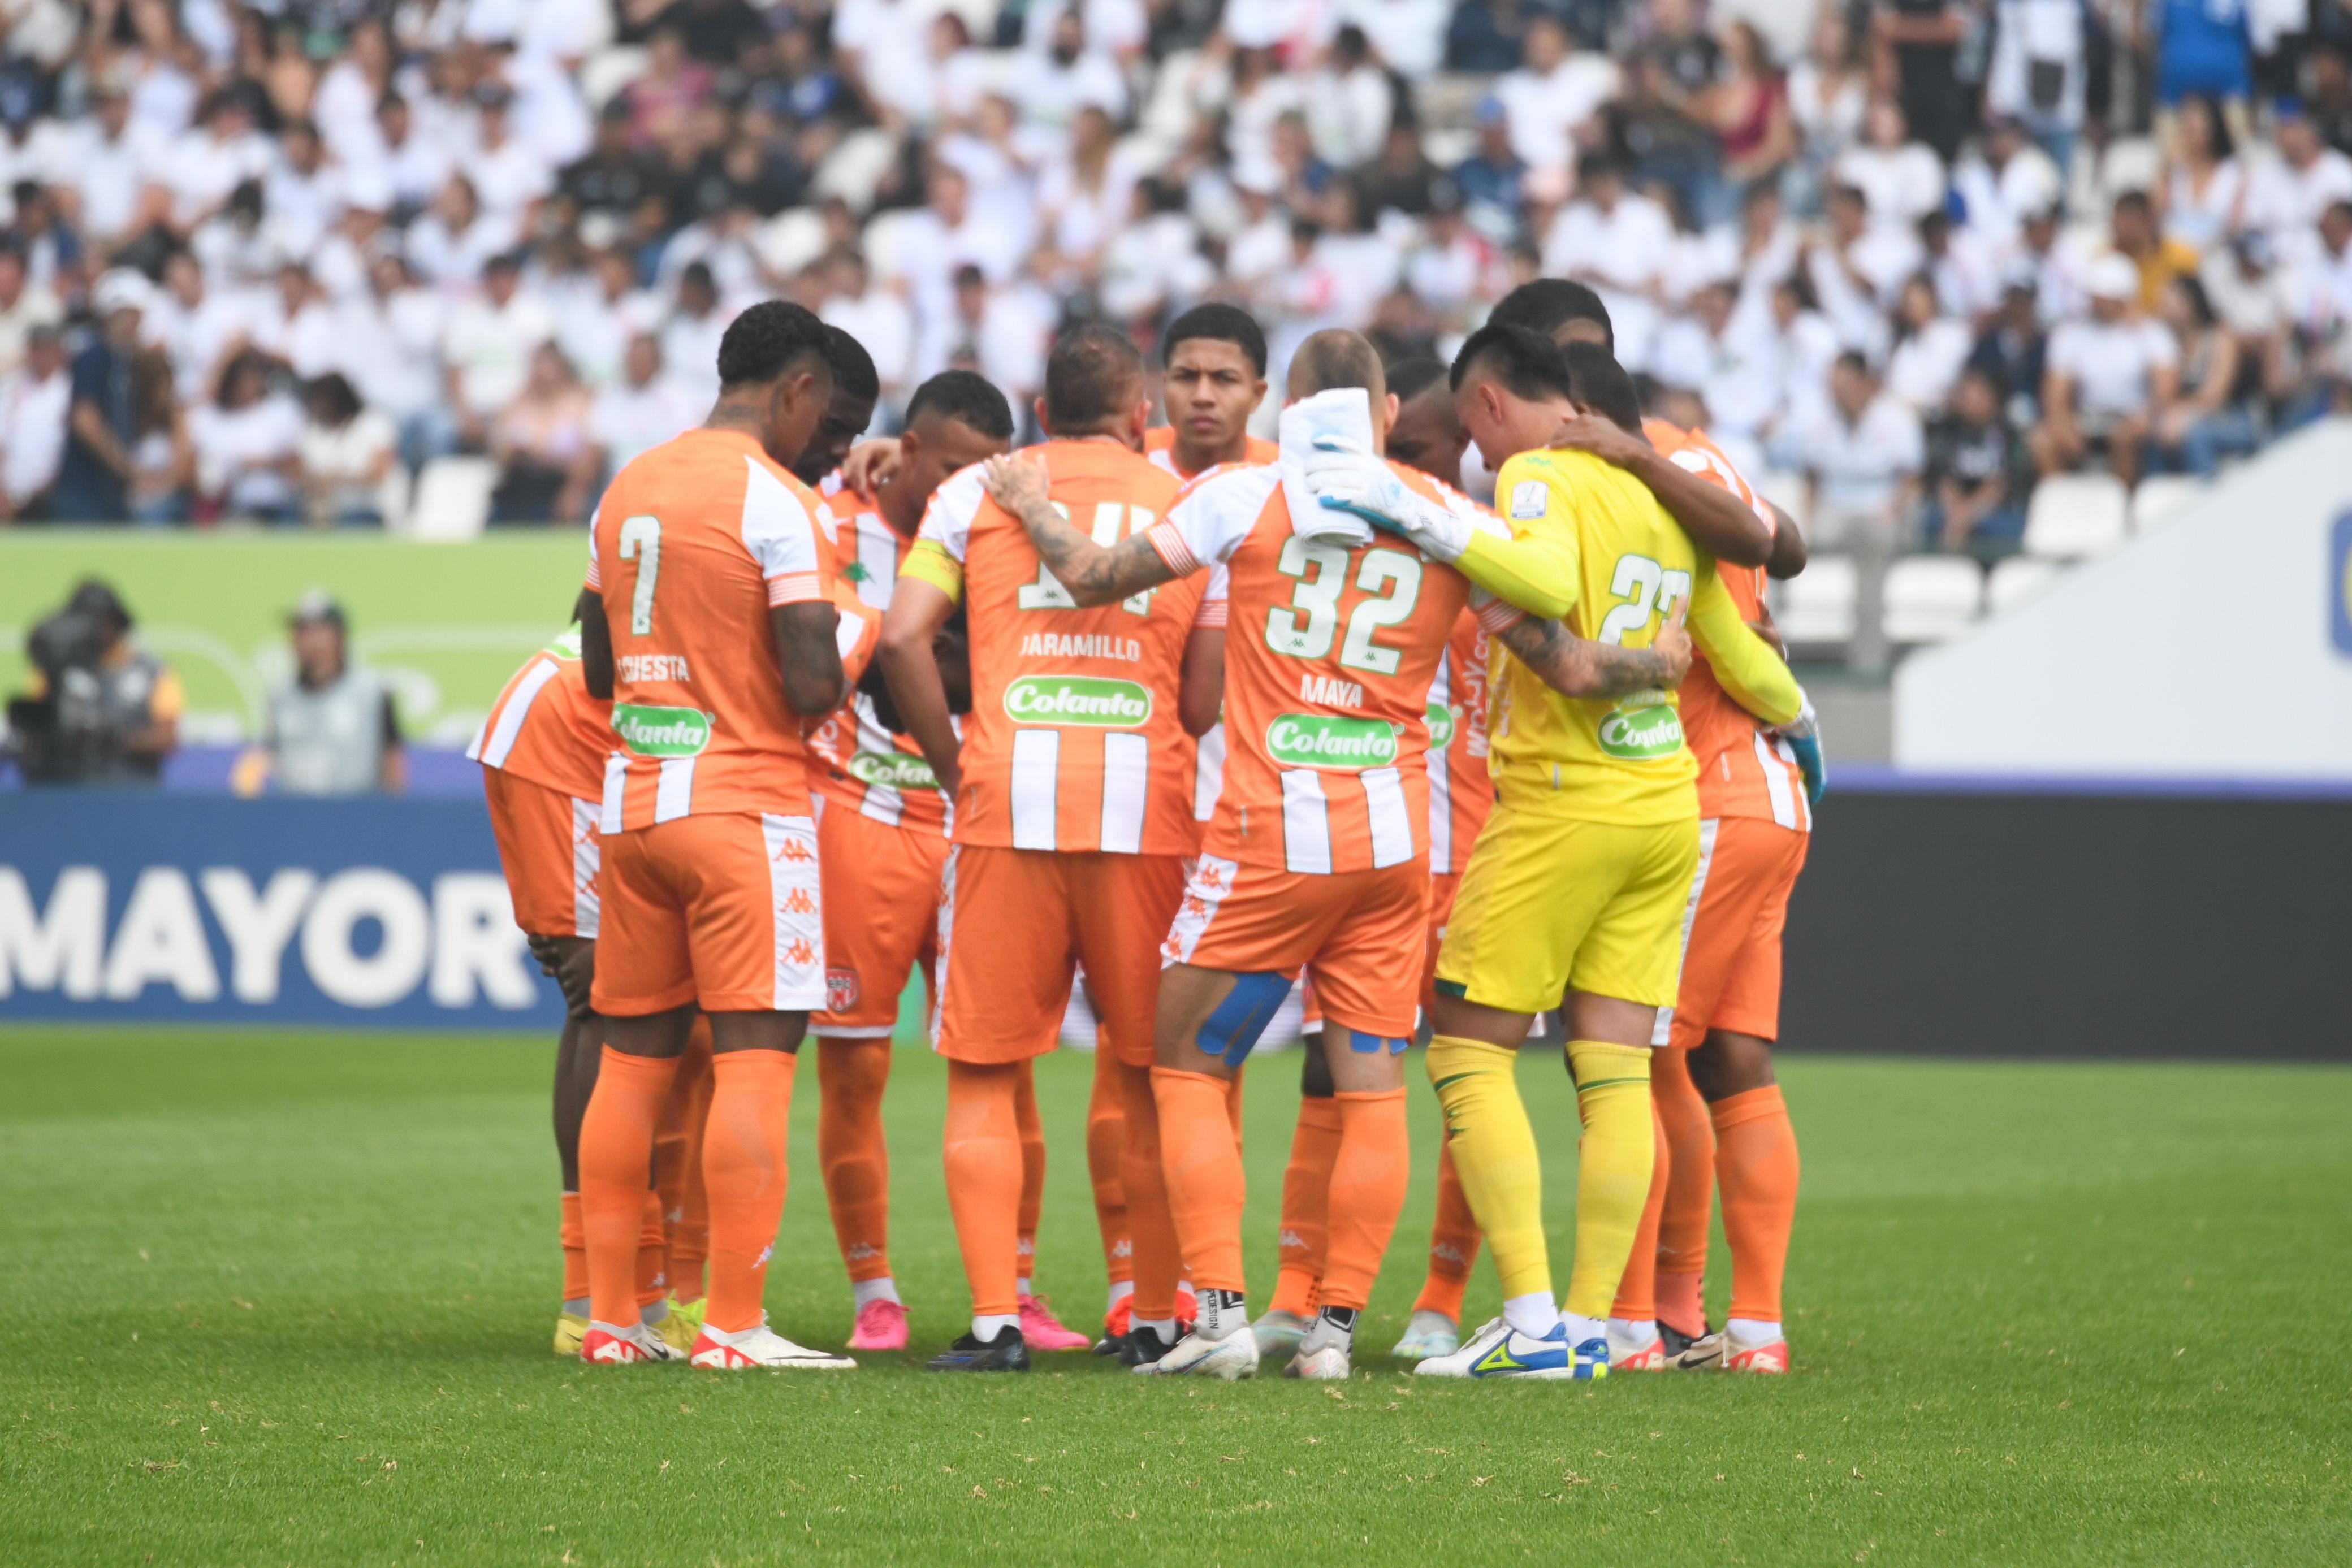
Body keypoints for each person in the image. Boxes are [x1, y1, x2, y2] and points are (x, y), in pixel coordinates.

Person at [974, 329, 1694, 1380]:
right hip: (1398, 846)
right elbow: (1576, 664)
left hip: (1273, 837)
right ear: (1389, 416)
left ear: (1283, 406)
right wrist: (1659, 661)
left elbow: (1087, 574)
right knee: (1372, 1085)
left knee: (1182, 1058)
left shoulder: (1240, 493)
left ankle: (1217, 1313)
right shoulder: (1447, 519)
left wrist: (1027, 496)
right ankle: (1334, 1332)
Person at [1399, 326, 1808, 1381]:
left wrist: (1423, 514)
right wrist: (1799, 724)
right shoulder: (1665, 502)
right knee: (1618, 1067)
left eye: (1472, 437)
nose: (1480, 465)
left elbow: (1532, 573)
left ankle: (1534, 1320)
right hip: (1666, 806)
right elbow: (1741, 655)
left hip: (1562, 805)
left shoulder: (1538, 477)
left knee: (1468, 1048)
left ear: (1491, 404)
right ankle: (1595, 1323)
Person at [877, 325, 1214, 1374]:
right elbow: (1203, 695)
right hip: (1146, 810)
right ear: (1140, 410)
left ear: (1037, 404)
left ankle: (993, 1322)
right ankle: (1155, 1316)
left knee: (983, 1068)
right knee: (1158, 1071)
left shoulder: (976, 488)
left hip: (1003, 800)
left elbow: (899, 639)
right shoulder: (1188, 501)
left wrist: (953, 759)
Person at [570, 298, 855, 1371]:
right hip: (742, 809)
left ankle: (610, 1319)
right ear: (798, 390)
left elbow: (597, 668)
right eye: (821, 407)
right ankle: (734, 1322)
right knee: (756, 1061)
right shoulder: (779, 501)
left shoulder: (630, 481)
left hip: (633, 807)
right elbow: (813, 683)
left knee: (632, 1063)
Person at [801, 370, 1021, 1355]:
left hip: (980, 827)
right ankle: (873, 1287)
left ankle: (1015, 1290)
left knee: (1005, 1071)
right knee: (856, 1068)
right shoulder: (833, 524)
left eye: (991, 471)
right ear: (910, 448)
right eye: (959, 467)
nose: (974, 487)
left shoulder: (1007, 530)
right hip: (863, 816)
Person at [470, 619, 714, 1360]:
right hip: (566, 739)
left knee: (622, 1003)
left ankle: (632, 1295)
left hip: (584, 732)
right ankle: (592, 1300)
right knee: (608, 997)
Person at [6, 579, 181, 785]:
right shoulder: (56, 670)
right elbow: (32, 724)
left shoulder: (152, 673)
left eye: (96, 622)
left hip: (132, 794)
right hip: (66, 790)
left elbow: (167, 738)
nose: (88, 630)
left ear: (115, 622)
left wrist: (113, 739)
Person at [2033, 253, 2181, 487]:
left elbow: (2165, 387)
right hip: (2087, 417)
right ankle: (2066, 509)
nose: (2092, 302)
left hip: (2134, 417)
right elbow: (2055, 392)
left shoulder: (2151, 333)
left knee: (2123, 437)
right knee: (2042, 441)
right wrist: (2062, 423)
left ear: (2119, 299)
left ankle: (2125, 506)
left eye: (2099, 297)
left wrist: (2145, 415)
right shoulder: (2072, 333)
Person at [236, 593, 404, 796]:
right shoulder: (280, 697)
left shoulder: (372, 691)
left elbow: (392, 758)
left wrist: (393, 812)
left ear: (338, 637)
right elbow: (268, 755)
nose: (305, 640)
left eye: (314, 631)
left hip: (357, 814)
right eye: (299, 631)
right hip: (297, 814)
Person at [297, 373, 396, 526]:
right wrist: (317, 483)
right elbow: (300, 474)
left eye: (323, 401)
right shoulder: (313, 430)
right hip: (324, 513)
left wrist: (340, 479)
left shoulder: (373, 423)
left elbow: (380, 473)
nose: (319, 407)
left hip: (367, 510)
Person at [0, 324, 69, 522]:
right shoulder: (13, 387)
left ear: (58, 352)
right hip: (9, 493)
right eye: (36, 349)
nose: (41, 356)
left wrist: (42, 490)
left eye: (47, 349)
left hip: (49, 494)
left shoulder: (67, 390)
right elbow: (2, 441)